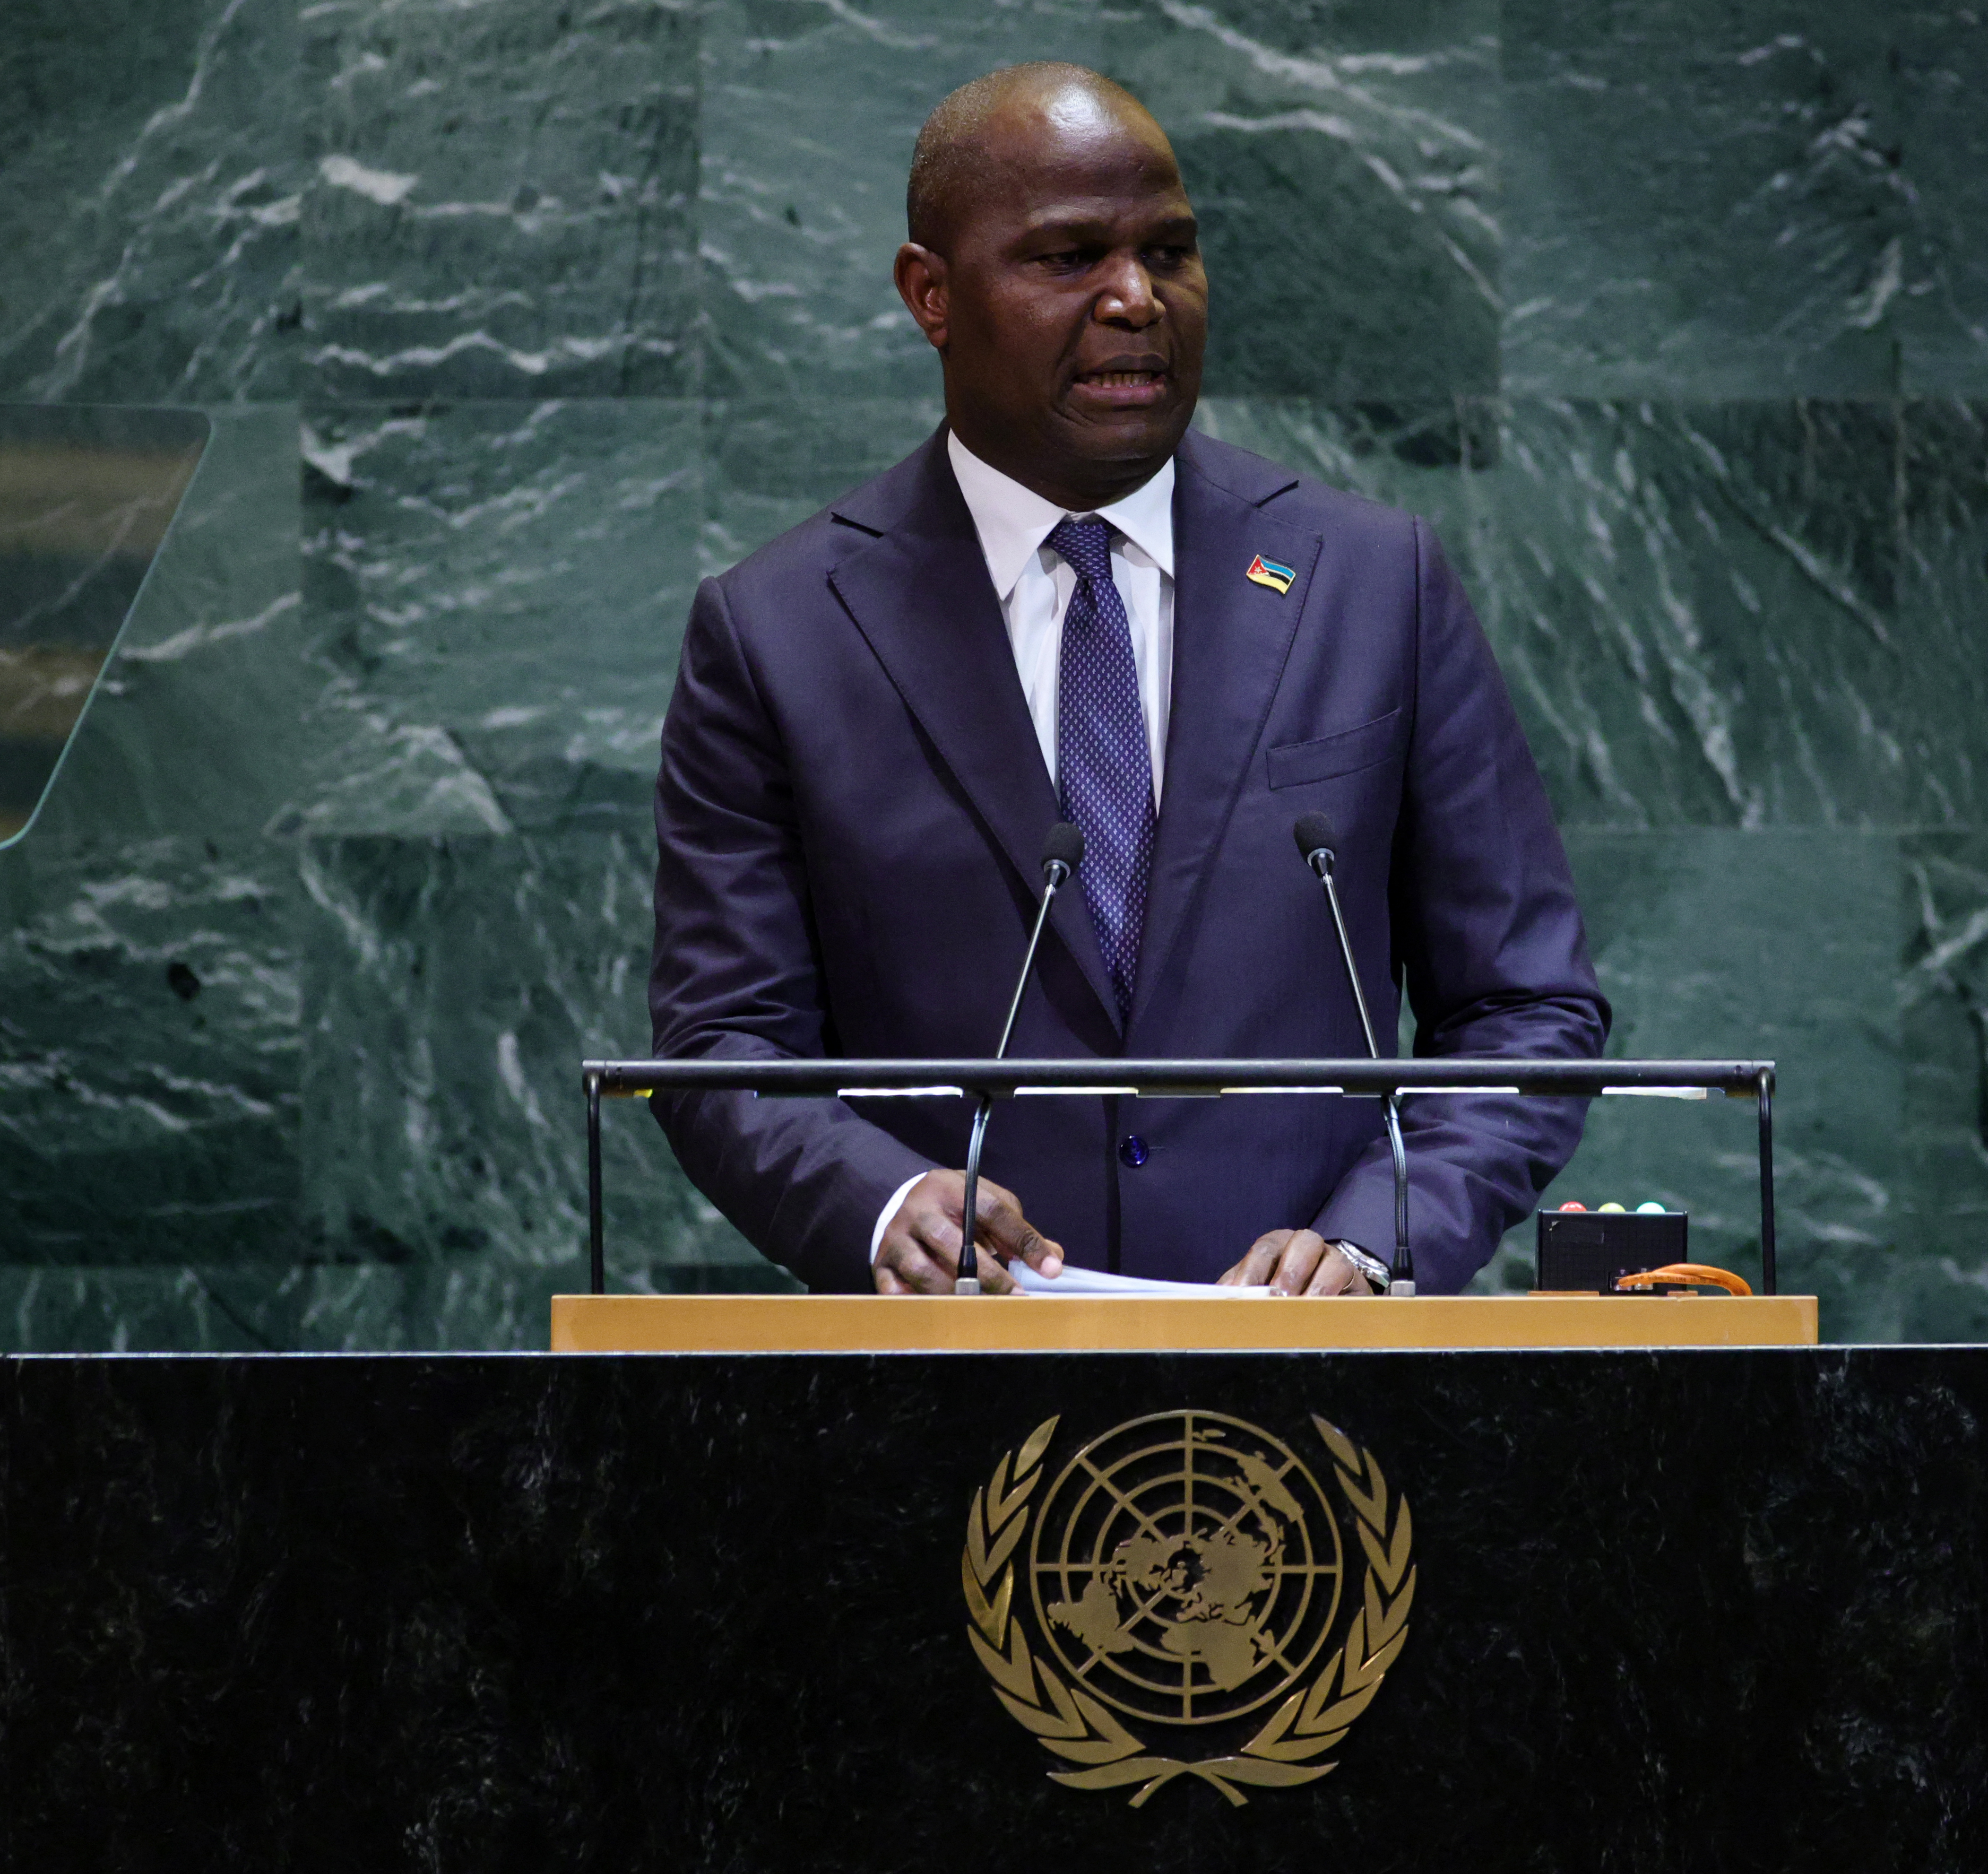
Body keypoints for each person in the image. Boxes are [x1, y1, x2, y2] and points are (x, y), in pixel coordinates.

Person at [648, 62, 1607, 1297]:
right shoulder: (777, 632)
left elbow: (1529, 1010)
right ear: (930, 295)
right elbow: (726, 1046)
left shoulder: (1374, 583)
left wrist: (1379, 1230)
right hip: (942, 1401)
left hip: (1313, 1404)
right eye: (1068, 256)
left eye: (1171, 250)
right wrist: (882, 1203)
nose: (1136, 299)